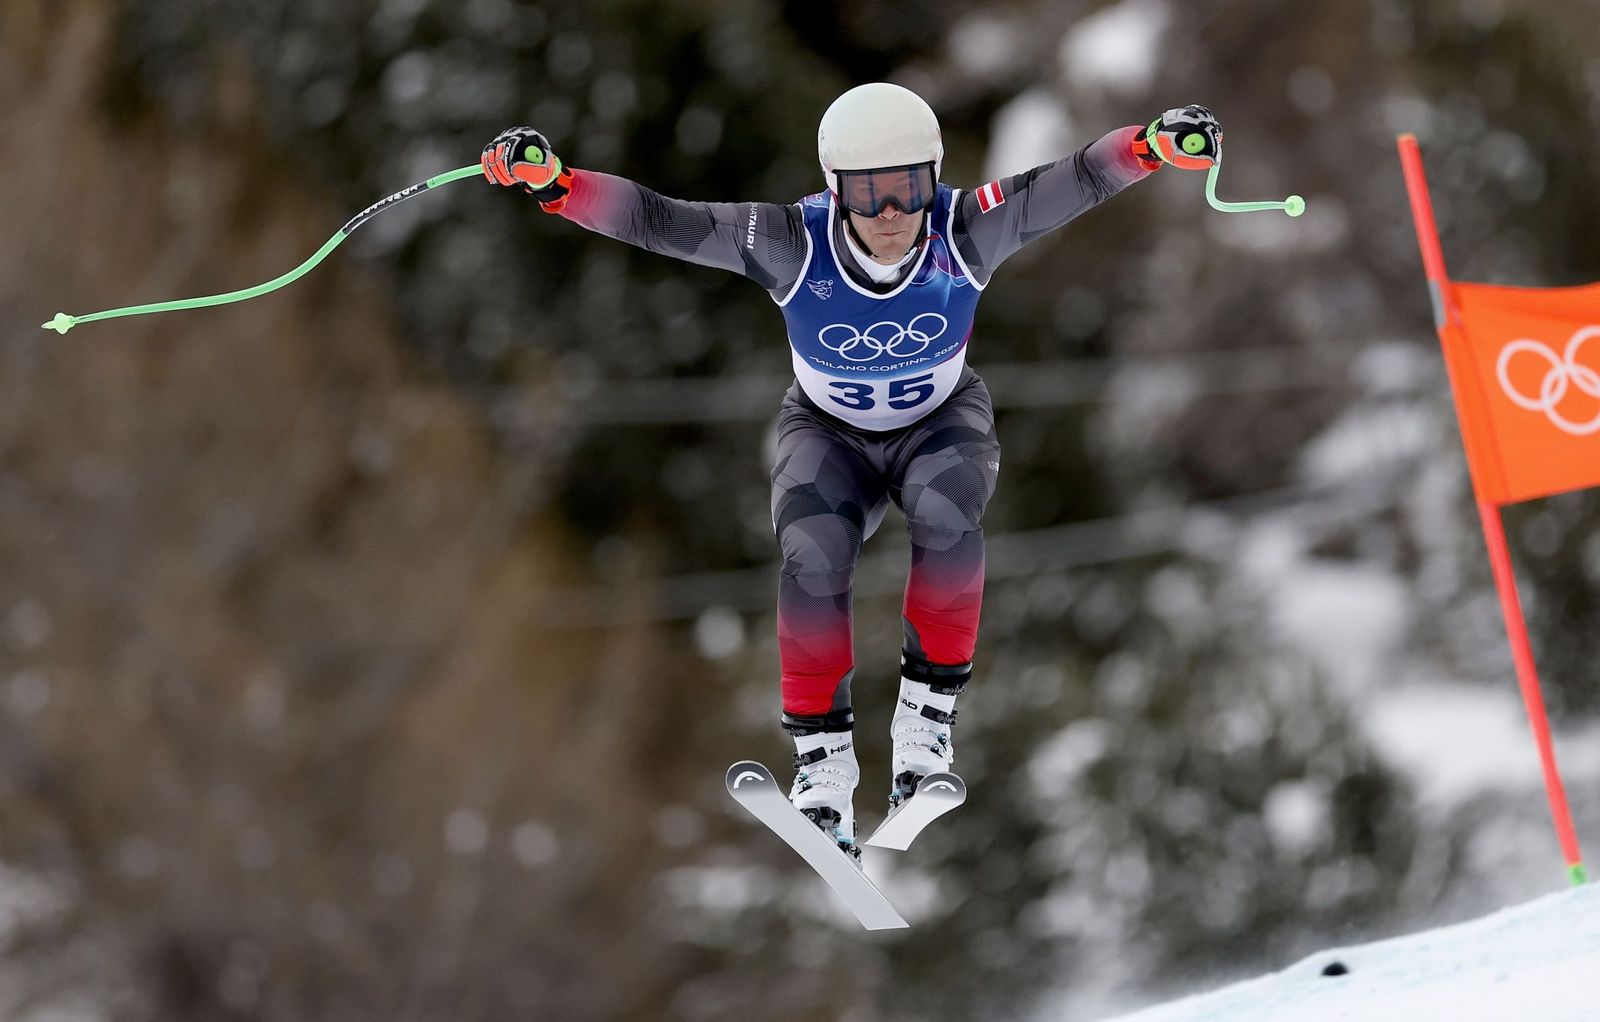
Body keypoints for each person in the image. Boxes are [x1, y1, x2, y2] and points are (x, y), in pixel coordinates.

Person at [482, 84, 1221, 859]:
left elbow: (1077, 178)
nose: (892, 213)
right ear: (835, 189)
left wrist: (1149, 147)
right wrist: (556, 184)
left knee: (948, 512)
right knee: (812, 551)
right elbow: (660, 220)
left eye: (909, 188)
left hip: (939, 423)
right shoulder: (788, 243)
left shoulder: (965, 229)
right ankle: (822, 765)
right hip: (828, 433)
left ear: (934, 178)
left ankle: (925, 728)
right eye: (870, 194)